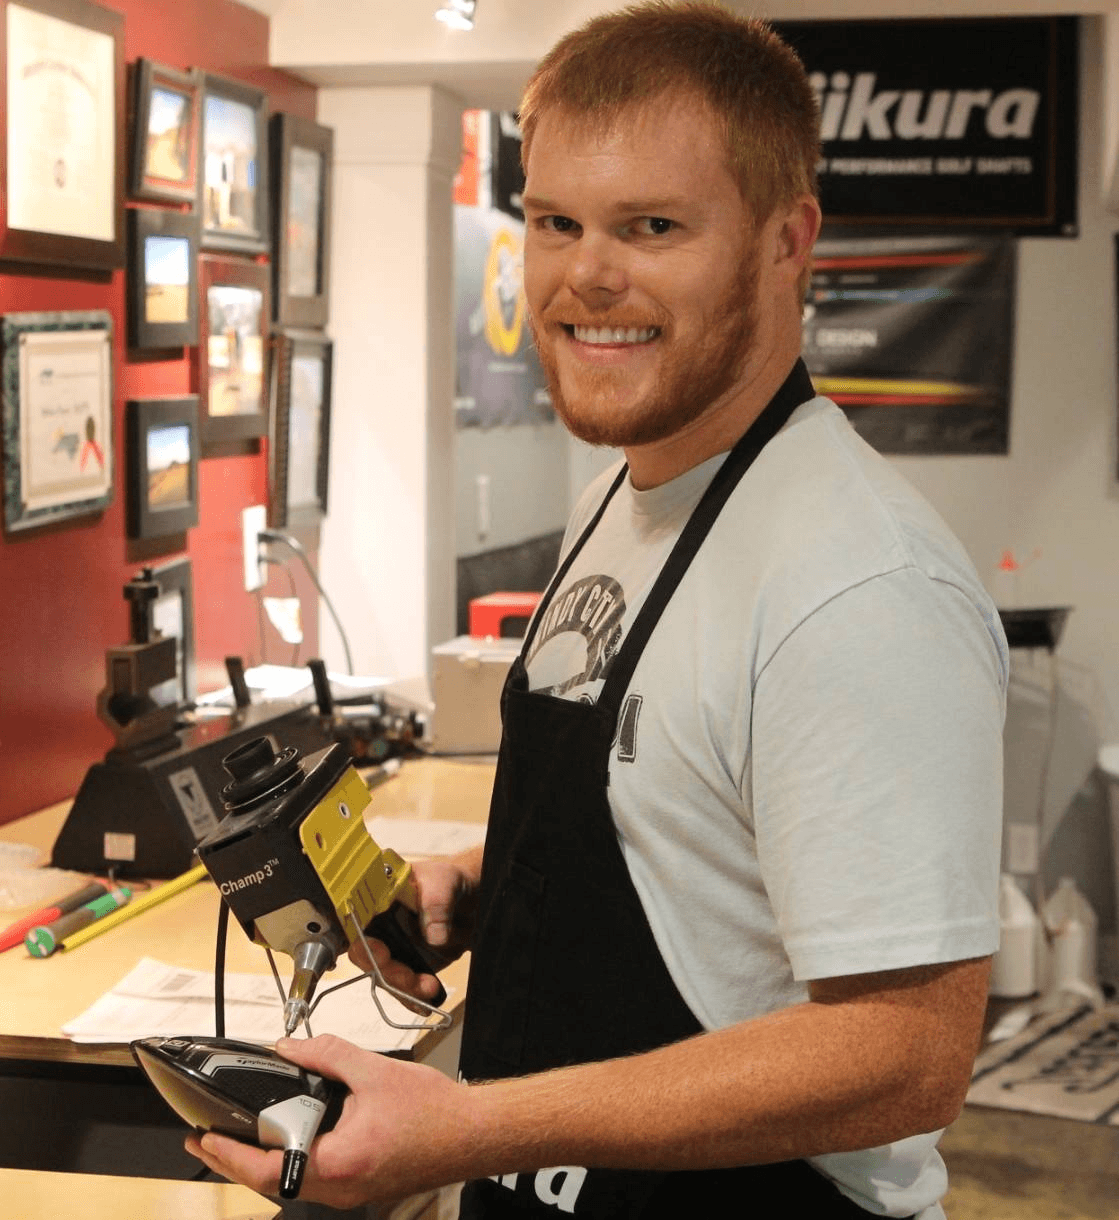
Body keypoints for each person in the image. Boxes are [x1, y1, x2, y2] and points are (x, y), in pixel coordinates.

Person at [188, 4, 1008, 1216]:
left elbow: (904, 1049)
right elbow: (666, 815)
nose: (586, 276)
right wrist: (478, 888)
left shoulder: (859, 586)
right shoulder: (616, 499)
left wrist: (472, 1124)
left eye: (652, 226)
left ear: (789, 242)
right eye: (556, 221)